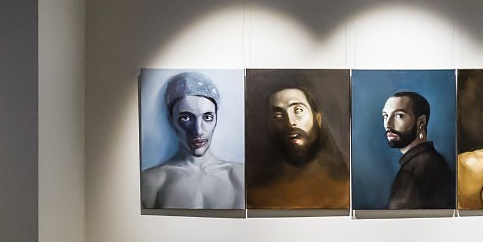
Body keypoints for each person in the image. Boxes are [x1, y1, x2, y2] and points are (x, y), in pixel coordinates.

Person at [140, 72, 245, 209]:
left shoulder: (240, 175)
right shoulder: (151, 181)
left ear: (216, 118)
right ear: (171, 120)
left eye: (207, 117)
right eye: (186, 118)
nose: (198, 130)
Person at [247, 80, 350, 209]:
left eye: (298, 110)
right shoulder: (255, 194)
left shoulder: (346, 186)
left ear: (317, 119)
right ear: (270, 126)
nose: (290, 122)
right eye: (278, 115)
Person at [381, 90, 455, 208]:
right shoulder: (423, 162)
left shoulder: (421, 169)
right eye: (385, 116)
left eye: (399, 116)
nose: (388, 124)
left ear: (421, 122)